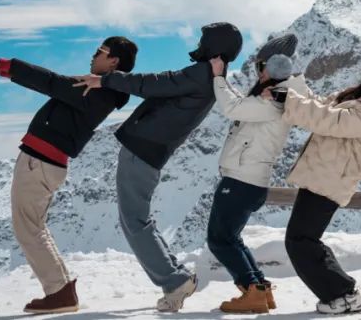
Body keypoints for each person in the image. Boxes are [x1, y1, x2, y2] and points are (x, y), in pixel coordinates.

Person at [73, 22, 243, 312]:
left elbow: (154, 83)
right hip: (148, 149)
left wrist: (107, 80)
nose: (199, 45)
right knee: (138, 219)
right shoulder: (211, 75)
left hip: (143, 148)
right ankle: (175, 277)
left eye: (204, 40)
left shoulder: (201, 74)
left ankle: (174, 281)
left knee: (134, 220)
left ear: (214, 45)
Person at [0, 37, 137, 314]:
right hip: (41, 161)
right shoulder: (99, 89)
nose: (93, 55)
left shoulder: (98, 92)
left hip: (40, 162)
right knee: (32, 226)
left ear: (113, 61)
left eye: (99, 51)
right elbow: (54, 84)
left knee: (28, 228)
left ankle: (59, 293)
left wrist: (9, 66)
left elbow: (51, 82)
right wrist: (8, 70)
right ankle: (61, 291)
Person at [281, 51, 361, 315]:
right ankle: (343, 293)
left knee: (300, 240)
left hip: (330, 183)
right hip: (318, 177)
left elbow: (328, 121)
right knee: (304, 239)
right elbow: (318, 105)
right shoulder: (352, 96)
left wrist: (284, 98)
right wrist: (293, 82)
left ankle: (343, 294)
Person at [205, 34, 304, 313]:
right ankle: (260, 290)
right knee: (231, 237)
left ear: (274, 67)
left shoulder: (273, 101)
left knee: (219, 239)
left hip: (242, 179)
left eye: (262, 66)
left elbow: (232, 107)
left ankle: (252, 291)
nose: (258, 72)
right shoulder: (276, 96)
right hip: (249, 180)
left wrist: (218, 77)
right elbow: (243, 107)